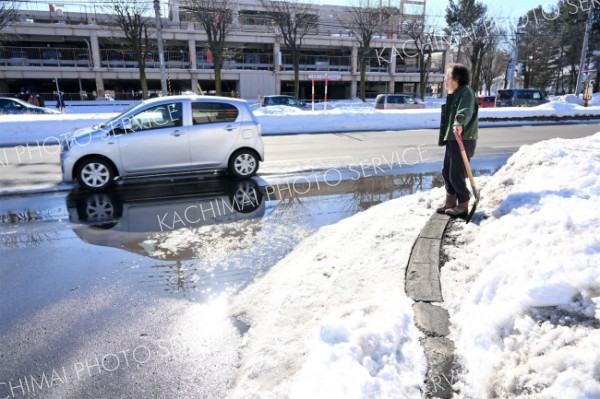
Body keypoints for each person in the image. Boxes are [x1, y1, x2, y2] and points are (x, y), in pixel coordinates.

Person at [436, 63, 479, 217]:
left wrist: (459, 122)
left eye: (448, 75)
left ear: (456, 78)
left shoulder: (466, 92)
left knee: (456, 172)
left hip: (463, 137)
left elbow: (465, 110)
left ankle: (463, 202)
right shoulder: (455, 93)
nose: (445, 78)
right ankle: (450, 199)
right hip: (453, 138)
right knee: (447, 171)